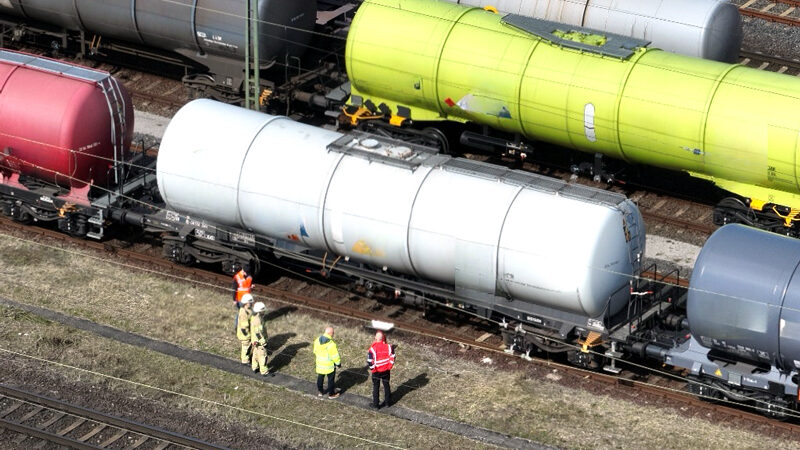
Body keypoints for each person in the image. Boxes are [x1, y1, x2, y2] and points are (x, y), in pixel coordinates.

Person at [367, 330, 395, 409]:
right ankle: (387, 403)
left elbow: (369, 361)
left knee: (376, 387)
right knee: (386, 385)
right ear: (383, 338)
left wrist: (373, 369)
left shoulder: (372, 349)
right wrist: (389, 366)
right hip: (386, 370)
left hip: (377, 371)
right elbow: (392, 356)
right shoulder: (389, 347)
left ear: (375, 338)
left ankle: (376, 405)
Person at [313, 326, 341, 399]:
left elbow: (315, 351)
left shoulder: (317, 340)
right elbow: (335, 355)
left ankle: (320, 392)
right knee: (331, 380)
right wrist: (338, 363)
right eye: (333, 333)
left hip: (320, 364)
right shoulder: (331, 344)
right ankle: (331, 394)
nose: (333, 334)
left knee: (320, 377)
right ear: (330, 333)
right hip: (329, 366)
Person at [250, 302, 271, 376]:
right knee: (263, 356)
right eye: (263, 310)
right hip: (260, 342)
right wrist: (264, 342)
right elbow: (258, 333)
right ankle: (264, 371)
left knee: (255, 354)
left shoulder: (254, 317)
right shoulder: (258, 320)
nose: (264, 311)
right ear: (260, 311)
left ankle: (254, 368)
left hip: (255, 341)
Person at [237, 294, 254, 364]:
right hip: (245, 334)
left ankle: (248, 356)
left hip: (248, 332)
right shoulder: (244, 312)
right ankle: (245, 360)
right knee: (246, 347)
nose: (251, 303)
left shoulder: (247, 310)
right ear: (246, 303)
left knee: (248, 346)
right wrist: (247, 335)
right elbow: (244, 326)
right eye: (250, 302)